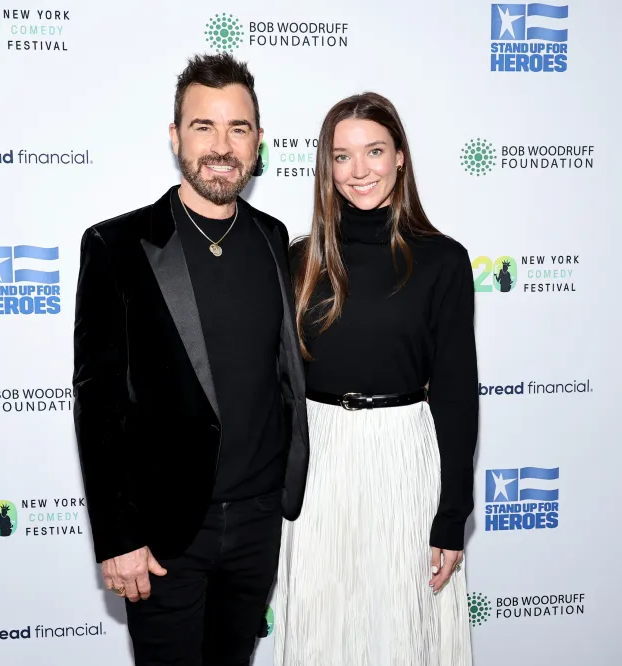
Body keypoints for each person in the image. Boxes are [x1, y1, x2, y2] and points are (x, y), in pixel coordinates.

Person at [71, 52, 309, 666]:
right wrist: (118, 537)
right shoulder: (117, 245)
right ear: (176, 137)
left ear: (258, 142)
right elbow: (98, 404)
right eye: (204, 127)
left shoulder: (273, 238)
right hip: (165, 534)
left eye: (239, 128)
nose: (222, 146)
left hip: (258, 525)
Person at [274, 92, 479, 665]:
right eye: (342, 156)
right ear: (326, 166)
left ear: (401, 157)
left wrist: (452, 515)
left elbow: (458, 392)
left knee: (399, 629)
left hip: (402, 458)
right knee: (320, 627)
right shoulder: (299, 259)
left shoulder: (442, 260)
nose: (358, 170)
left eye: (374, 152)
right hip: (319, 464)